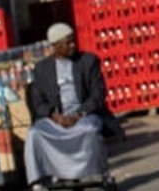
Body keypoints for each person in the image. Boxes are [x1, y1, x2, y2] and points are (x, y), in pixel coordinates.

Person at [25, 23, 122, 189]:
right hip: (56, 118)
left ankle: (102, 173)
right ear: (55, 46)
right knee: (35, 133)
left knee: (90, 130)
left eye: (73, 41)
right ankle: (39, 182)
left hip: (85, 115)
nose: (73, 45)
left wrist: (79, 114)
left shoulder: (88, 61)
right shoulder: (42, 69)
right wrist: (55, 116)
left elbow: (97, 94)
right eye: (67, 43)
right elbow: (38, 103)